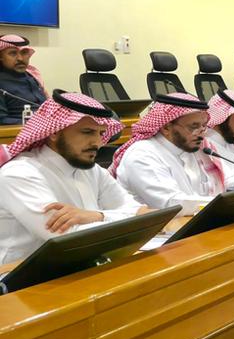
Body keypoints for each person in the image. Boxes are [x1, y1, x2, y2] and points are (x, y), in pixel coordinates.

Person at [0, 91, 147, 264]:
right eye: (87, 132)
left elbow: (141, 214)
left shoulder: (93, 170)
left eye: (101, 133)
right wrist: (105, 216)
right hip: (24, 276)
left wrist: (96, 216)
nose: (97, 143)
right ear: (54, 132)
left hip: (83, 265)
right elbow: (70, 238)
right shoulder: (19, 173)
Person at [112, 94, 216, 216]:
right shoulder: (142, 155)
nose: (202, 134)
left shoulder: (190, 149)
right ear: (166, 127)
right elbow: (171, 204)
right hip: (156, 227)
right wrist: (221, 204)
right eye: (193, 127)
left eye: (203, 126)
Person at [0, 34, 48, 124]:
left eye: (24, 52)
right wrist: (35, 124)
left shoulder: (33, 76)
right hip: (20, 130)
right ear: (1, 57)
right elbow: (1, 120)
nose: (20, 58)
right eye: (13, 53)